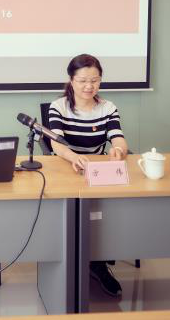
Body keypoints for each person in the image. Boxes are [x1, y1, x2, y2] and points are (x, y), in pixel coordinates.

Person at [47, 53, 128, 298]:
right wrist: (73, 157)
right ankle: (66, 260)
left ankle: (98, 263)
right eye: (82, 80)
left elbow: (118, 137)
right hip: (66, 168)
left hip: (96, 172)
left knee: (104, 216)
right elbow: (56, 144)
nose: (89, 86)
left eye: (94, 80)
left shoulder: (107, 107)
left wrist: (119, 150)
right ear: (71, 80)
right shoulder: (59, 106)